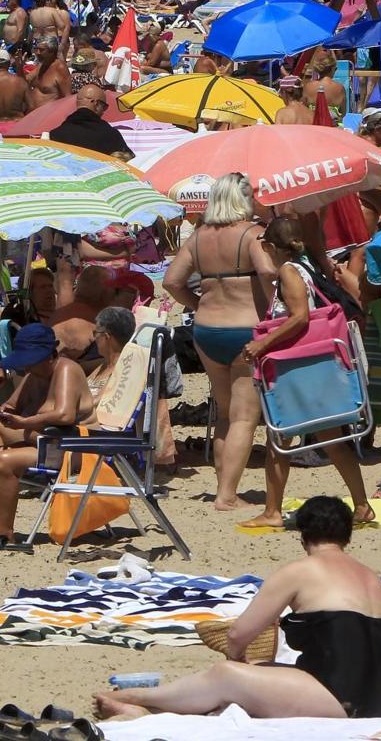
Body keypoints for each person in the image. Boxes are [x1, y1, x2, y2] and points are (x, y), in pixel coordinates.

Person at [94, 496, 381, 721]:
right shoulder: (370, 576)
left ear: (303, 535)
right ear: (347, 536)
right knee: (258, 674)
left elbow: (239, 635)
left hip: (341, 700)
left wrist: (237, 662)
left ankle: (138, 698)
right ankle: (145, 708)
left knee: (226, 675)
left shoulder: (302, 570)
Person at [238, 218, 375, 528]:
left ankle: (272, 511)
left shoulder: (289, 271)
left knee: (280, 436)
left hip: (297, 362)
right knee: (328, 438)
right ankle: (362, 505)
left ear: (271, 247)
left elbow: (300, 317)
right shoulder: (304, 265)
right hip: (313, 361)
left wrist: (263, 345)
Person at [165, 173, 276, 510]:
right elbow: (270, 272)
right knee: (245, 417)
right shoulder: (252, 234)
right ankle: (226, 495)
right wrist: (273, 300)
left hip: (207, 329)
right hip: (246, 328)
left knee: (225, 415)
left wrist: (199, 303)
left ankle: (222, 487)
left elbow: (171, 281)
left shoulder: (198, 237)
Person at [0, 322, 97, 548]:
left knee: (2, 461)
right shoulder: (35, 373)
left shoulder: (66, 369)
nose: (27, 366)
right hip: (47, 442)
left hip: (75, 447)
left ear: (49, 354)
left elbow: (64, 416)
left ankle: (3, 531)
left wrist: (23, 422)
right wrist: (4, 411)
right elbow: (12, 405)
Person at [47, 85, 132, 158]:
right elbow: (128, 160)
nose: (104, 111)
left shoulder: (55, 134)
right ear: (96, 104)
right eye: (104, 107)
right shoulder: (110, 135)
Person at [26, 35, 72, 110]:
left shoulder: (60, 68)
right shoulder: (41, 65)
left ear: (52, 52)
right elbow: (24, 82)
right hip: (33, 115)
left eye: (41, 50)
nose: (37, 53)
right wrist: (19, 67)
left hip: (49, 115)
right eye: (36, 49)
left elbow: (67, 97)